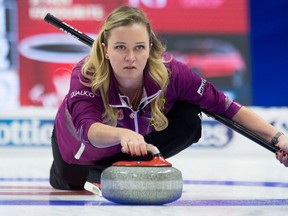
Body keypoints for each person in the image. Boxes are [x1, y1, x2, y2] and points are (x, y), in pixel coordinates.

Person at [49, 5, 288, 193]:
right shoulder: (87, 74)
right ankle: (97, 171)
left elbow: (226, 107)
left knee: (189, 116)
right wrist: (124, 134)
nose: (131, 57)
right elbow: (86, 129)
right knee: (69, 184)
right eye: (120, 47)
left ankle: (121, 167)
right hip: (77, 154)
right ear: (105, 50)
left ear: (150, 48)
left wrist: (279, 139)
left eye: (139, 47)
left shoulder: (172, 73)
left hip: (129, 147)